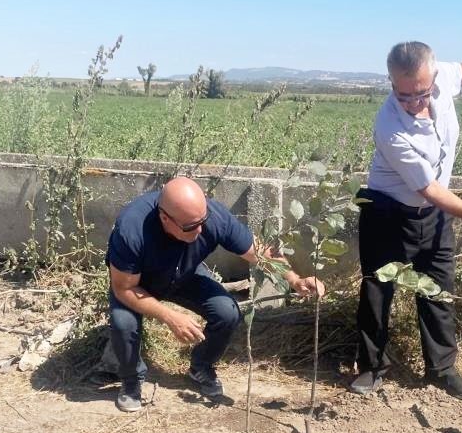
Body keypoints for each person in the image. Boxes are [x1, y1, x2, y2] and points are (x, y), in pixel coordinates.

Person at [350, 41, 462, 400]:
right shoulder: (389, 126)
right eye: (404, 95)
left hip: (434, 214)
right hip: (387, 211)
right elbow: (428, 188)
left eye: (422, 93)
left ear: (432, 77)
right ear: (392, 83)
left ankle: (442, 370)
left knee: (439, 289)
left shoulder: (441, 76)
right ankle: (371, 366)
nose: (415, 102)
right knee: (378, 290)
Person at [105, 176, 325, 412]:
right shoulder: (132, 229)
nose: (200, 230)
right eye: (190, 226)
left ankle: (201, 366)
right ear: (165, 218)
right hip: (137, 284)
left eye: (203, 221)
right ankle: (131, 380)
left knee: (227, 312)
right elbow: (124, 288)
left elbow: (259, 253)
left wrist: (295, 279)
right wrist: (170, 316)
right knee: (124, 323)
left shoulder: (213, 217)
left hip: (184, 274)